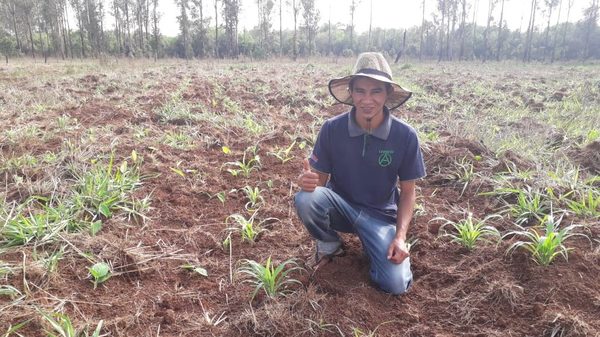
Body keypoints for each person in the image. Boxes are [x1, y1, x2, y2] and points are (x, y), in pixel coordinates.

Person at [294, 52, 426, 295]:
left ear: (387, 94)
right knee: (305, 199)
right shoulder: (332, 129)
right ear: (351, 93)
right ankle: (330, 245)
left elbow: (408, 192)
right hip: (341, 207)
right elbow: (319, 185)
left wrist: (400, 237)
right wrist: (308, 183)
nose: (367, 99)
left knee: (395, 285)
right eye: (360, 91)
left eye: (376, 91)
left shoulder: (405, 136)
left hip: (381, 216)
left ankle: (374, 246)